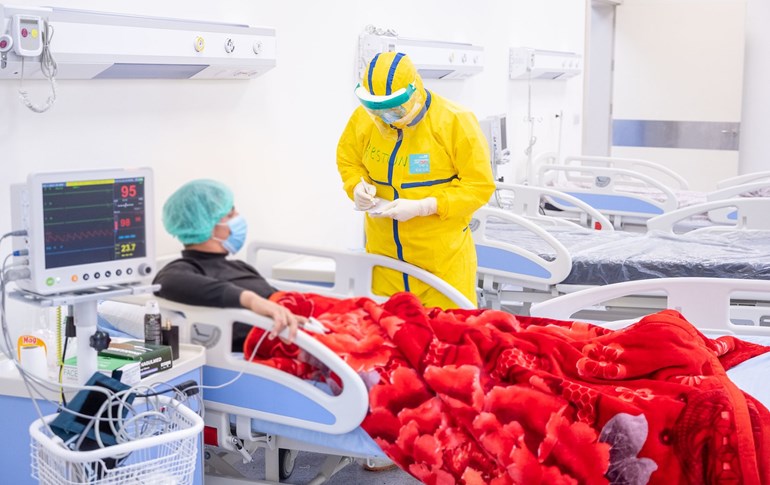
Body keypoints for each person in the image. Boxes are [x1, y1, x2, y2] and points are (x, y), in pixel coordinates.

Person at [337, 51, 495, 308]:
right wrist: (356, 185)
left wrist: (426, 206)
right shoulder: (363, 121)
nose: (387, 115)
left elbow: (478, 186)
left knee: (447, 340)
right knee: (392, 336)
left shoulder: (454, 121)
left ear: (414, 91)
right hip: (384, 263)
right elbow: (348, 160)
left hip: (441, 267)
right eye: (378, 109)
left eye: (395, 107)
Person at [153, 179, 305, 350]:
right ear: (207, 224)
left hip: (304, 326)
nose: (238, 218)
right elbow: (166, 282)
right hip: (282, 342)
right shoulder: (187, 269)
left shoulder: (239, 266)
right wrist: (251, 300)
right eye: (230, 215)